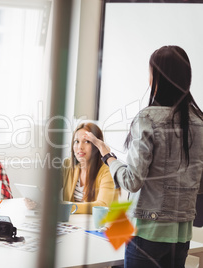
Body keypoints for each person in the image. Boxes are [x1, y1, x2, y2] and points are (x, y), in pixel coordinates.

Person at [85, 45, 203, 267]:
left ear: (156, 78)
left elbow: (132, 181)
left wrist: (107, 156)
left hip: (147, 232)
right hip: (182, 234)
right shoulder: (200, 121)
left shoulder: (147, 119)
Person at [61, 122, 119, 214]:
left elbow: (102, 205)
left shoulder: (107, 170)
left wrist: (65, 207)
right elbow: (50, 189)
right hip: (73, 223)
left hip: (99, 225)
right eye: (76, 141)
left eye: (87, 141)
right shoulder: (68, 164)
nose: (80, 147)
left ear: (97, 145)